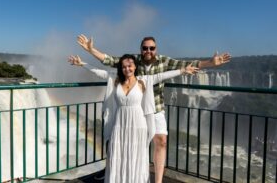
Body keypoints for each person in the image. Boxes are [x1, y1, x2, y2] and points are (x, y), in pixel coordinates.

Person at [76, 34, 231, 183]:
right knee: (129, 145)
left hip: (154, 108)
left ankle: (157, 181)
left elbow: (185, 66)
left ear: (155, 49)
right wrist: (90, 50)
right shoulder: (133, 61)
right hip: (133, 111)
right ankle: (123, 174)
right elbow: (108, 60)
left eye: (151, 48)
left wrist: (210, 63)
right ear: (141, 49)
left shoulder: (163, 61)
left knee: (161, 141)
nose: (148, 51)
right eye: (145, 48)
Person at [68, 54, 199, 183]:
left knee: (136, 155)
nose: (127, 69)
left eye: (130, 66)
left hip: (138, 124)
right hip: (119, 124)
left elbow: (162, 75)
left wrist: (182, 71)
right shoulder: (116, 80)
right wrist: (82, 64)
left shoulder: (144, 80)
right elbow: (99, 73)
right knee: (118, 154)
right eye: (124, 67)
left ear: (135, 66)